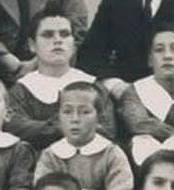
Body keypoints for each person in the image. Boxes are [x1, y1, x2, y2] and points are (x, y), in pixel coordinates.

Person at [7, 11, 118, 148]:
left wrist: (46, 128)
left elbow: (107, 130)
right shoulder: (20, 91)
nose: (58, 40)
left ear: (73, 43)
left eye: (65, 34)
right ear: (32, 45)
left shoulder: (93, 86)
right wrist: (62, 128)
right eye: (48, 35)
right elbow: (14, 127)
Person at [34, 79, 134, 190]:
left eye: (84, 112)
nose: (75, 119)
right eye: (67, 111)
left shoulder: (112, 154)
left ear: (98, 117)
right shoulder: (50, 155)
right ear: (59, 116)